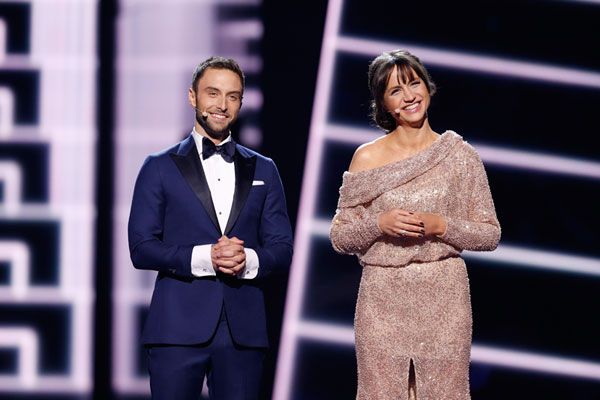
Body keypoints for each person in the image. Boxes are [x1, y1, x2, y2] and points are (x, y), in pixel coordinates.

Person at [329, 50, 501, 399]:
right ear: (384, 104)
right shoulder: (367, 157)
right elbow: (340, 236)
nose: (409, 96)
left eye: (414, 84)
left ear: (427, 87)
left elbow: (490, 233)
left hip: (443, 297)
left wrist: (442, 226)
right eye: (395, 90)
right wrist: (379, 224)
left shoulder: (459, 155)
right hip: (382, 299)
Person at [128, 56, 293, 399]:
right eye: (213, 93)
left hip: (243, 331)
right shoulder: (158, 167)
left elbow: (282, 247)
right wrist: (207, 257)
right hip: (175, 329)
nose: (222, 104)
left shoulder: (264, 168)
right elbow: (141, 247)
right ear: (193, 97)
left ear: (241, 103)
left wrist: (247, 259)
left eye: (233, 96)